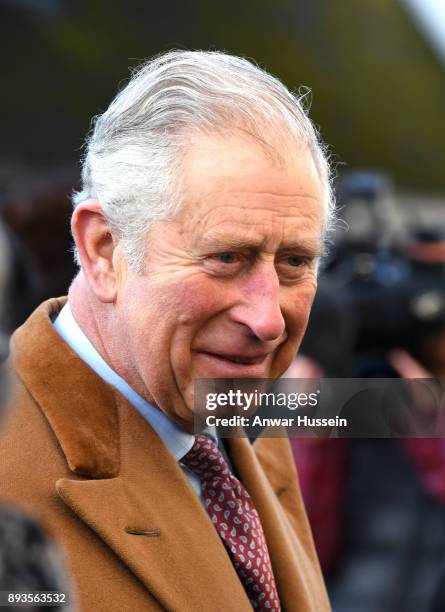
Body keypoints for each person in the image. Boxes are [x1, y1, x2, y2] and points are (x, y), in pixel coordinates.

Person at [0, 50, 333, 611]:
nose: (269, 319)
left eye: (295, 262)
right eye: (227, 257)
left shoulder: (247, 431)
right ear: (104, 250)